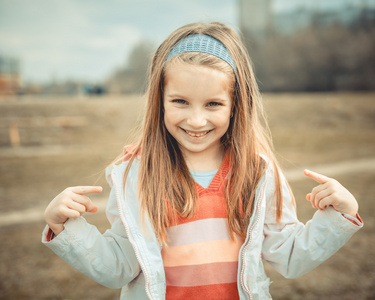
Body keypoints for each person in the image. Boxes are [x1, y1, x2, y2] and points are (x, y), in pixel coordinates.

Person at [42, 22, 363, 300]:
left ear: (236, 105)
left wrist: (338, 217)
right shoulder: (136, 176)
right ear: (160, 101)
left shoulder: (258, 174)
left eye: (213, 104)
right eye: (180, 101)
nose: (196, 120)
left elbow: (290, 256)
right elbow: (118, 268)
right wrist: (67, 228)